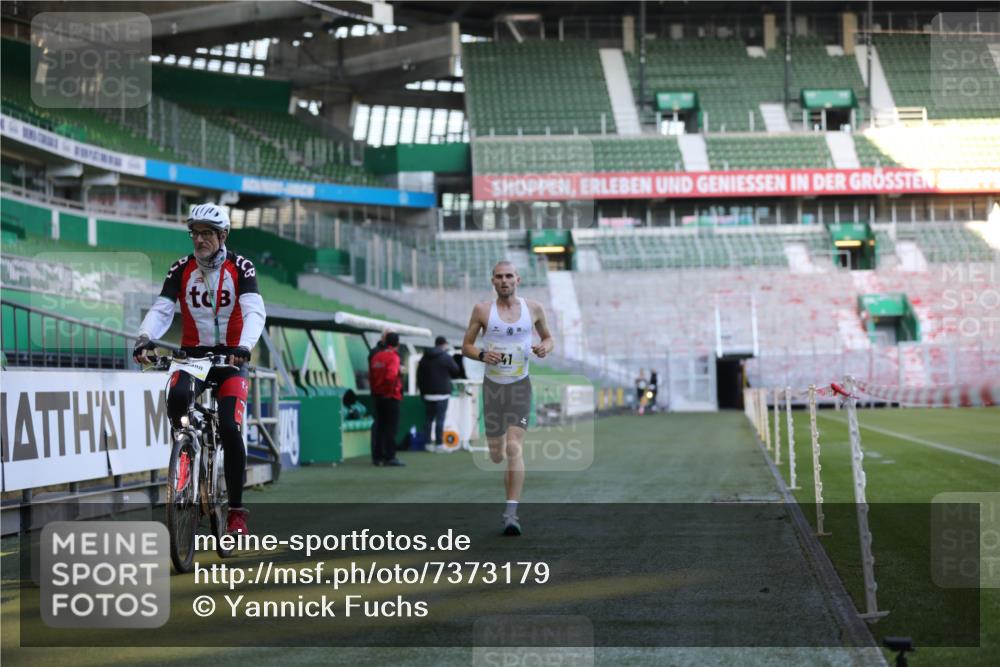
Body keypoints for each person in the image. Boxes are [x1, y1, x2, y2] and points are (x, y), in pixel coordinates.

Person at [132, 203, 265, 536]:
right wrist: (145, 338)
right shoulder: (180, 268)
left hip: (231, 360)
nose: (199, 239)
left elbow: (254, 311)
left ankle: (236, 511)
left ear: (222, 235)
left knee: (232, 430)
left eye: (207, 233)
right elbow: (162, 309)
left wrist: (244, 347)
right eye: (195, 232)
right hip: (193, 357)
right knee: (177, 400)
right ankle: (186, 458)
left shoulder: (242, 267)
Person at [462, 260, 554, 536]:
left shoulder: (534, 309)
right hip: (492, 388)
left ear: (518, 279)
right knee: (495, 454)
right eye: (499, 277)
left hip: (519, 386)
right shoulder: (482, 311)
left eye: (509, 276)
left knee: (514, 447)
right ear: (493, 281)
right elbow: (466, 345)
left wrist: (544, 348)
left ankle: (511, 513)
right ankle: (495, 448)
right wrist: (481, 354)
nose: (504, 281)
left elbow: (549, 338)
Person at [417, 336, 461, 451]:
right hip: (442, 394)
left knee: (428, 419)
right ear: (444, 344)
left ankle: (427, 444)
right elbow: (456, 370)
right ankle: (439, 444)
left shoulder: (424, 358)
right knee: (440, 419)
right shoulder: (446, 357)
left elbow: (419, 376)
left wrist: (422, 392)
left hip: (427, 394)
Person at [369, 332, 405, 467]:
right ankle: (390, 457)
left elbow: (372, 377)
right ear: (398, 344)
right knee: (391, 429)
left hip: (377, 396)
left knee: (379, 427)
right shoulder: (393, 357)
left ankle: (377, 457)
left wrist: (376, 392)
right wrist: (390, 391)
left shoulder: (376, 356)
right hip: (390, 397)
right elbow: (390, 377)